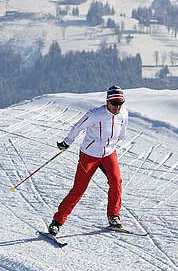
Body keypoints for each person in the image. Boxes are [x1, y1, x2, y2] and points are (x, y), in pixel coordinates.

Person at [48, 85, 130, 236]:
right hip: (90, 155)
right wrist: (67, 142)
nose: (118, 107)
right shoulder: (94, 115)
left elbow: (122, 134)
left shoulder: (123, 114)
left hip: (109, 154)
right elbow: (77, 127)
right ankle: (57, 222)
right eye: (115, 103)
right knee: (79, 189)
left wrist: (111, 143)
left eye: (121, 103)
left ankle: (114, 216)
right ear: (107, 102)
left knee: (116, 182)